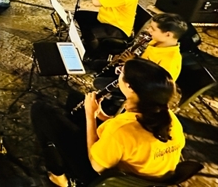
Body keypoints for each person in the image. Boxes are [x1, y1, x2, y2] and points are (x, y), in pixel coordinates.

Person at [31, 58, 185, 186]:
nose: (118, 73)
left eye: (121, 73)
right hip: (147, 175)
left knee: (41, 110)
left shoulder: (120, 130)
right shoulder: (168, 116)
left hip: (107, 180)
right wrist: (102, 116)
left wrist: (90, 115)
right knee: (75, 99)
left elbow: (96, 165)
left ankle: (59, 175)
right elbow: (133, 134)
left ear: (130, 87)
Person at [74, 0, 138, 60]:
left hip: (118, 27)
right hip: (108, 18)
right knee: (80, 15)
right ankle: (88, 43)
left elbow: (96, 3)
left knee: (90, 32)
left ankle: (94, 55)